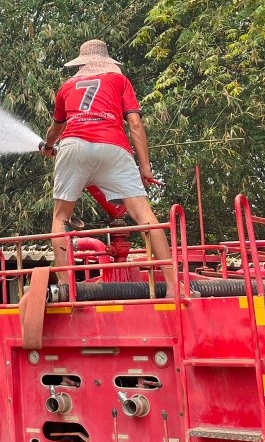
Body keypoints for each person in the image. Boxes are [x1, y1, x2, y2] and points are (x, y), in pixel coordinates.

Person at [38, 39, 177, 290]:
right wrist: (145, 168)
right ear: (107, 61)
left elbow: (55, 129)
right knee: (144, 214)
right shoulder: (120, 80)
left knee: (61, 217)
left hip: (73, 145)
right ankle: (174, 284)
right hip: (113, 146)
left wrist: (48, 146)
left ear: (81, 64)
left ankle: (65, 287)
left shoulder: (67, 87)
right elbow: (135, 124)